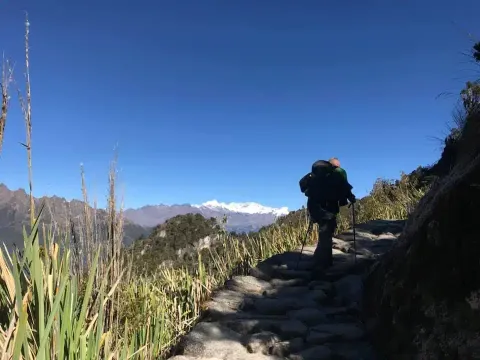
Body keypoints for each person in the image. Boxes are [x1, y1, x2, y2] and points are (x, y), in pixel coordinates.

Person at [301, 157, 356, 273]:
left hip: (314, 208)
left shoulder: (313, 175)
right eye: (337, 166)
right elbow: (345, 188)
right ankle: (323, 264)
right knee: (326, 234)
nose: (339, 168)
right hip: (328, 209)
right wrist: (351, 198)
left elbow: (302, 186)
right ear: (333, 166)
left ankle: (321, 259)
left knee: (324, 233)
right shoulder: (336, 175)